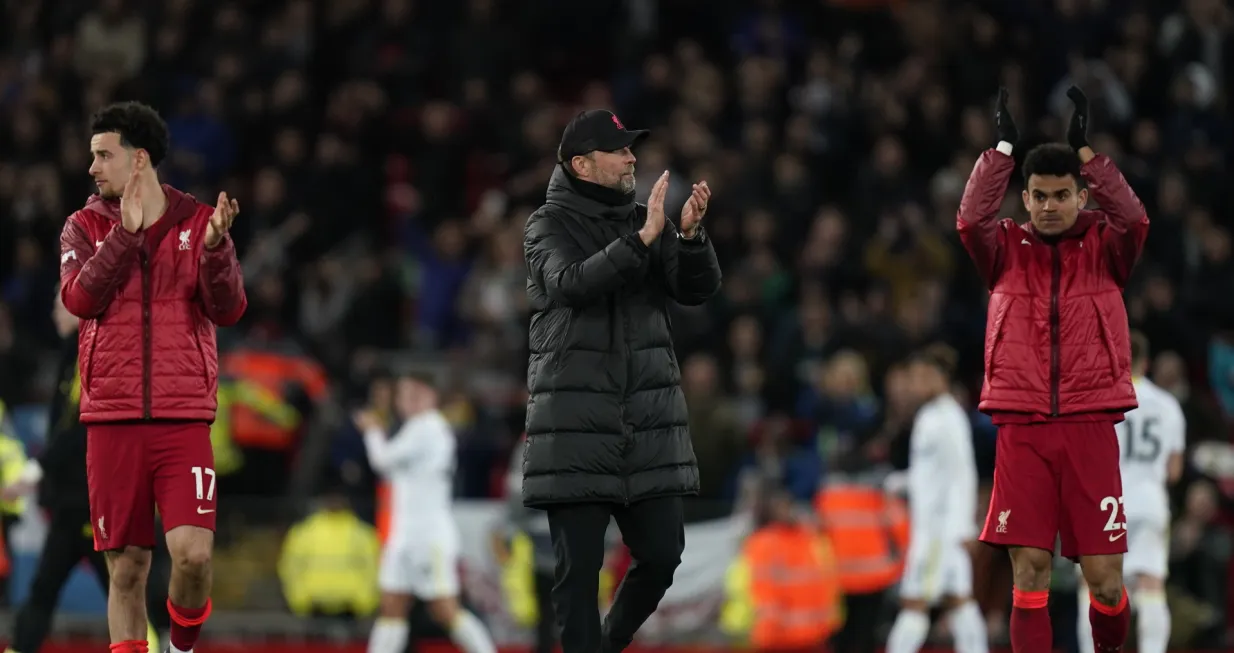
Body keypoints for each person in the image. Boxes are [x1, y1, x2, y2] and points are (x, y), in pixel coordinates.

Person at [521, 109, 722, 653]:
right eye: (619, 150)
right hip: (576, 425)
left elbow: (695, 289)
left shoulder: (645, 218)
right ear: (582, 163)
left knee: (662, 554)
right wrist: (643, 240)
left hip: (645, 422)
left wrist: (689, 234)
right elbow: (570, 283)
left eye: (632, 148)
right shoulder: (546, 225)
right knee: (578, 579)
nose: (632, 157)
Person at [958, 86, 1149, 653]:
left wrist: (1089, 153)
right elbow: (970, 222)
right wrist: (1000, 151)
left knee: (1105, 583)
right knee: (1030, 572)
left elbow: (1134, 220)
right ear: (1025, 197)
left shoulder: (1107, 250)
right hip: (1023, 428)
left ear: (1080, 195)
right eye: (1037, 196)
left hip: (1090, 426)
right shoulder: (1004, 252)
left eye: (1061, 195)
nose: (1047, 206)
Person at [58, 101, 247, 653]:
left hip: (182, 417)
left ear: (138, 159)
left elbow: (230, 309)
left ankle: (181, 647)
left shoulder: (197, 220)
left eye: (102, 155)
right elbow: (79, 299)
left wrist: (216, 252)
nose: (92, 167)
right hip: (111, 420)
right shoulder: (84, 226)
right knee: (127, 571)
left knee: (193, 555)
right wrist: (125, 236)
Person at [2, 288, 170, 653]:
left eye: (59, 304)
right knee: (45, 590)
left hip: (98, 504)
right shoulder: (73, 353)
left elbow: (82, 427)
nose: (53, 312)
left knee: (122, 588)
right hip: (73, 503)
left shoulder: (100, 354)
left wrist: (35, 471)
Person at [352, 373, 497, 653]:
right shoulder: (415, 428)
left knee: (445, 609)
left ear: (430, 396)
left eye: (413, 393)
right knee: (392, 606)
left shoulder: (428, 425)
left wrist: (372, 430)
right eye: (403, 394)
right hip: (404, 536)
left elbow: (382, 461)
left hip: (428, 538)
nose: (405, 400)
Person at [1077, 332, 1184, 653]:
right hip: (1150, 502)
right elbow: (1174, 471)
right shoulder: (1168, 405)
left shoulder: (1098, 399)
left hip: (1106, 503)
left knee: (1093, 586)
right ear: (1146, 362)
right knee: (1151, 586)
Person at [885, 344, 988, 653]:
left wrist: (962, 527)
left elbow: (962, 474)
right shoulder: (932, 415)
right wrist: (898, 482)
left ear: (937, 378)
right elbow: (929, 475)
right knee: (957, 601)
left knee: (914, 603)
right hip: (938, 527)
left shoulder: (945, 418)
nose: (914, 385)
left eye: (919, 377)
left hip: (938, 531)